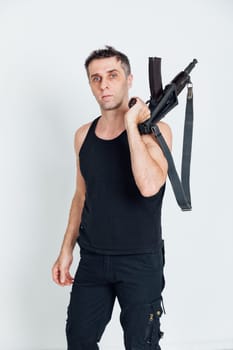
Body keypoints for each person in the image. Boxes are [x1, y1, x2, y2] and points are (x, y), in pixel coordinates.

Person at [52, 45, 172, 350]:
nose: (104, 84)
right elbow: (81, 196)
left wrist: (131, 125)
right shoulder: (83, 135)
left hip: (140, 261)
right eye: (96, 78)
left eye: (112, 75)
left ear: (129, 79)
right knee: (78, 340)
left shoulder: (157, 131)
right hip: (92, 260)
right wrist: (66, 250)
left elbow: (148, 186)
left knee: (141, 345)